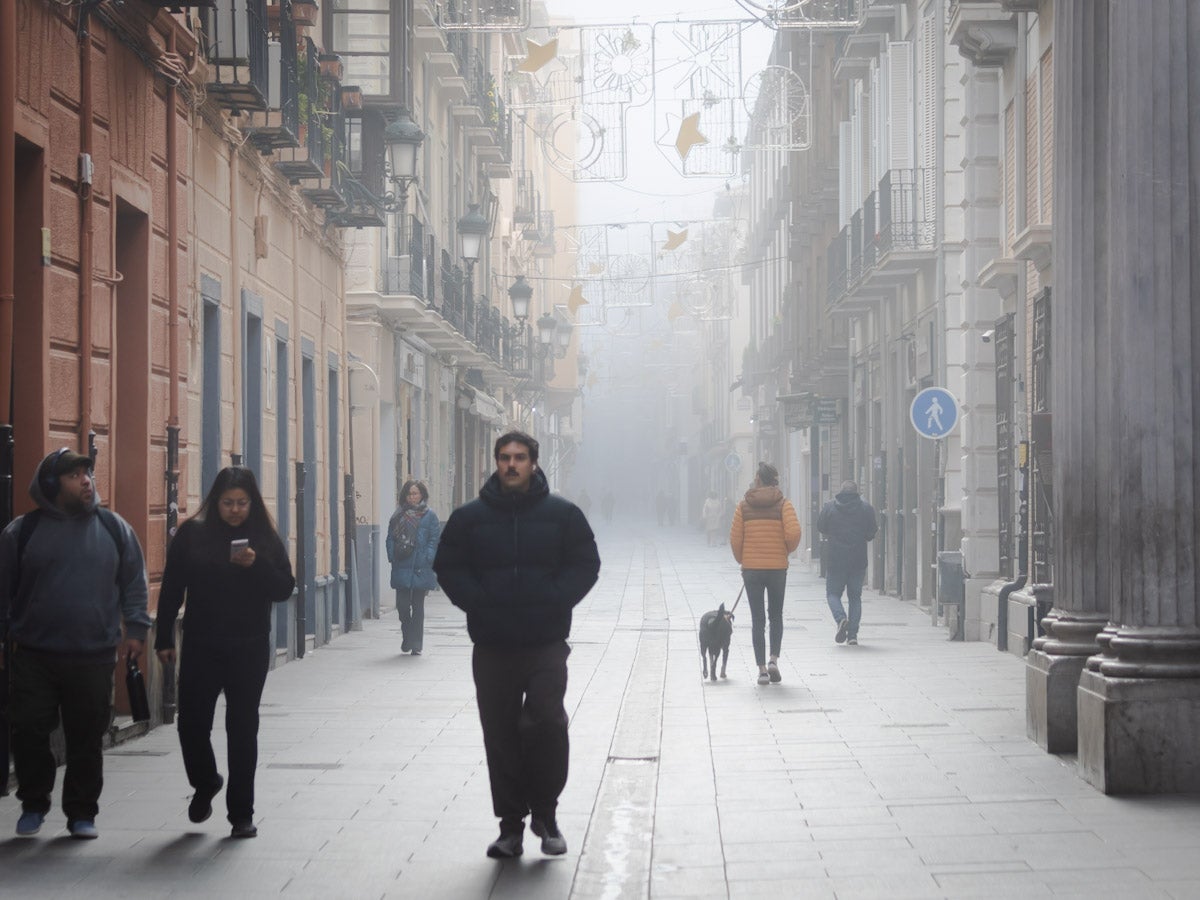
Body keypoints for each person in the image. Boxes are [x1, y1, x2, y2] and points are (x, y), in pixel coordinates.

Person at [434, 431, 600, 860]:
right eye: (505, 457)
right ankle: (510, 827)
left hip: (545, 641)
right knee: (501, 734)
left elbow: (586, 563)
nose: (511, 465)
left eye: (520, 458)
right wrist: (478, 602)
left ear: (534, 463)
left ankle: (546, 813)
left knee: (547, 723)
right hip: (492, 645)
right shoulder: (469, 518)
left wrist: (555, 596)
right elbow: (449, 566)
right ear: (496, 462)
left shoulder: (563, 515)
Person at [0, 448, 150, 839]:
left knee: (86, 738)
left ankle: (82, 813)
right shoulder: (22, 533)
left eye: (87, 473)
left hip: (93, 656)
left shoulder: (114, 528)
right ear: (51, 485)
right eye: (74, 476)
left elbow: (134, 582)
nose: (86, 481)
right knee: (29, 730)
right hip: (34, 653)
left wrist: (136, 630)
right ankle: (34, 803)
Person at [155, 467, 295, 839]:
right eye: (228, 503)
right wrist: (163, 637)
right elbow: (171, 587)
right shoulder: (193, 535)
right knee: (192, 725)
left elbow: (284, 587)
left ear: (253, 503)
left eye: (242, 503)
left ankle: (241, 814)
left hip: (249, 647)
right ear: (215, 501)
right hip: (202, 644)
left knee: (243, 728)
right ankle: (205, 781)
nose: (235, 510)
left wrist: (257, 565)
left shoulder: (264, 538)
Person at [729, 462, 801, 686]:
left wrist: (744, 559)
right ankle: (773, 661)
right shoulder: (783, 505)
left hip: (752, 570)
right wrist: (784, 551)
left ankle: (761, 670)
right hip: (777, 569)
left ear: (758, 479)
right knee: (776, 615)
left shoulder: (744, 506)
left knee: (757, 619)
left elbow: (735, 538)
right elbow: (794, 532)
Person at [817, 480, 878, 646]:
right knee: (855, 597)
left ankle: (841, 618)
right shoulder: (866, 508)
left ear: (841, 491)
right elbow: (872, 532)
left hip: (835, 559)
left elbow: (821, 527)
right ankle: (852, 636)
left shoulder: (830, 507)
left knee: (832, 594)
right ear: (856, 492)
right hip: (857, 560)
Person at [386, 479, 440, 655]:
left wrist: (428, 557)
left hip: (420, 566)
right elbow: (390, 538)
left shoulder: (430, 515)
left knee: (418, 607)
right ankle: (407, 635)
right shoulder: (398, 515)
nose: (412, 497)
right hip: (402, 564)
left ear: (422, 495)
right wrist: (392, 556)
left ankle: (416, 644)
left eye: (415, 493)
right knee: (402, 606)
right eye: (409, 493)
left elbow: (434, 538)